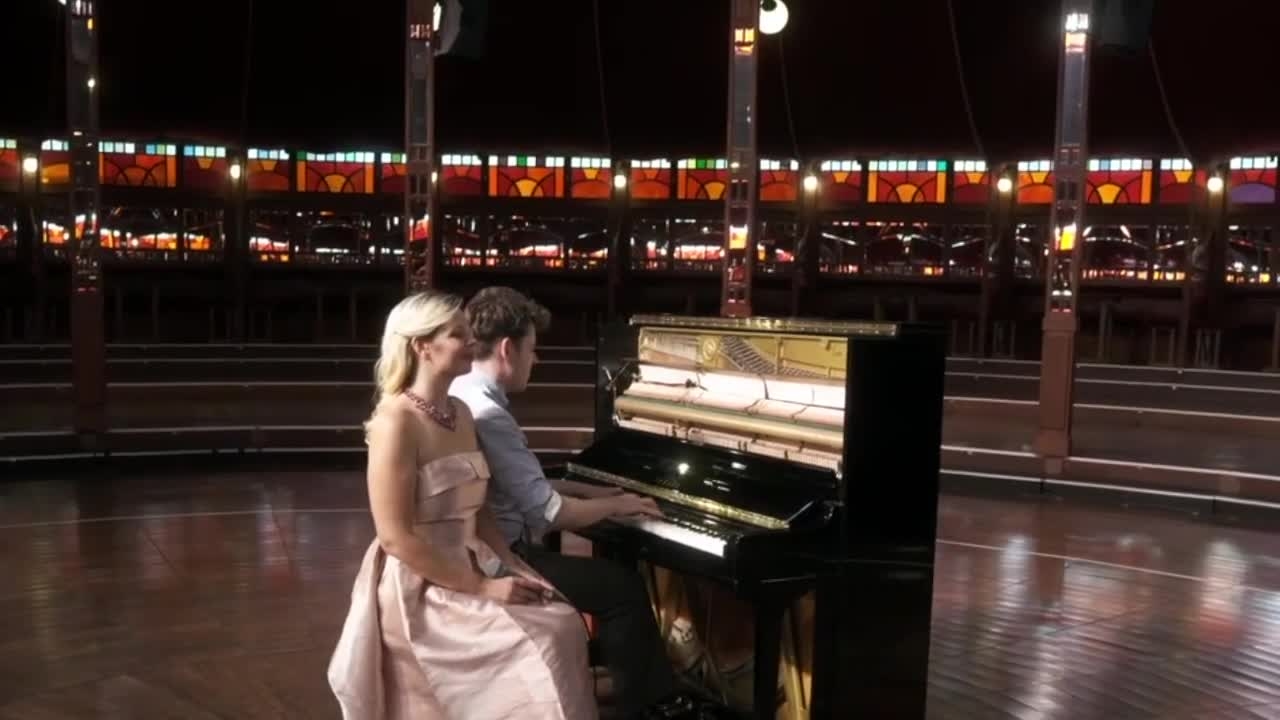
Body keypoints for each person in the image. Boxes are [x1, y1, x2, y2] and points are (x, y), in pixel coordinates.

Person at [328, 290, 597, 720]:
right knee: (546, 639)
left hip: (472, 562)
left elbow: (479, 509)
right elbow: (394, 538)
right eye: (458, 334)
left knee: (562, 621)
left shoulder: (460, 412)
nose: (472, 341)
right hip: (419, 584)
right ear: (422, 346)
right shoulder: (396, 421)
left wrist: (511, 566)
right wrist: (484, 587)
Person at [450, 286, 698, 720]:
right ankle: (648, 707)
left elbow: (518, 486)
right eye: (533, 348)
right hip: (501, 559)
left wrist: (597, 492)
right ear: (507, 349)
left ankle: (634, 680)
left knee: (610, 577)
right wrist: (620, 506)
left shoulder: (464, 392)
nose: (536, 360)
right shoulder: (490, 415)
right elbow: (550, 512)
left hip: (484, 548)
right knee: (622, 588)